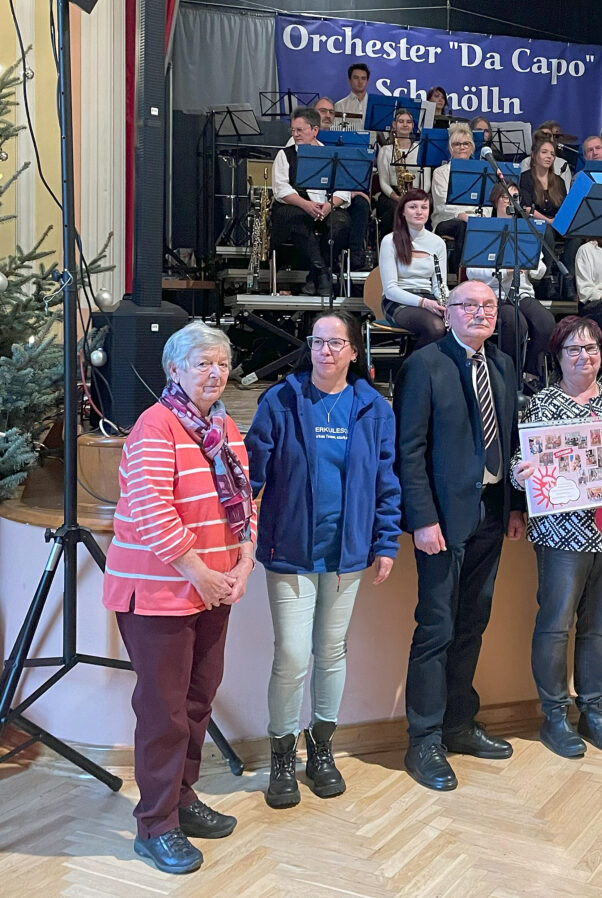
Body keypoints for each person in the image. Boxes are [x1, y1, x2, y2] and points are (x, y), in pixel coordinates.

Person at [102, 322, 256, 875]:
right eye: (201, 364)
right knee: (164, 711)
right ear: (174, 370)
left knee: (197, 700)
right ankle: (155, 825)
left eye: (221, 363)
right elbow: (151, 513)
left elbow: (245, 502)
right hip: (159, 590)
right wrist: (201, 573)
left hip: (214, 588)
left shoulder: (223, 426)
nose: (215, 373)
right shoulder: (154, 426)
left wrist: (242, 563)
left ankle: (182, 799)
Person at [245, 311, 402, 810]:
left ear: (355, 352)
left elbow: (386, 482)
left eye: (336, 343)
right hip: (289, 550)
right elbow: (250, 474)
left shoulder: (373, 409)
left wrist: (385, 541)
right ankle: (281, 756)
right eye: (317, 342)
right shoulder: (282, 400)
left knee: (331, 651)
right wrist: (237, 534)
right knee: (292, 655)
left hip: (346, 553)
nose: (325, 351)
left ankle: (321, 750)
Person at [394, 279, 527, 791]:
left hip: (492, 514)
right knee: (436, 628)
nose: (480, 313)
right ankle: (423, 739)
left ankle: (457, 723)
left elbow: (509, 442)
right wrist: (423, 519)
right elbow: (409, 452)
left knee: (473, 622)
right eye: (468, 305)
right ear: (447, 313)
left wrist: (514, 510)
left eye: (488, 306)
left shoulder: (503, 366)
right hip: (442, 524)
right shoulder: (423, 366)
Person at [511, 317, 602, 757]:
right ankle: (554, 715)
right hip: (562, 532)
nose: (584, 357)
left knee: (599, 627)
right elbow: (523, 465)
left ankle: (593, 709)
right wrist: (523, 475)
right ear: (557, 357)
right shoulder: (542, 405)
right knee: (556, 624)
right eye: (574, 350)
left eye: (592, 349)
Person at [465, 179, 555, 383]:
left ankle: (531, 375)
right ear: (495, 200)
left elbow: (539, 271)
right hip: (494, 295)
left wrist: (529, 265)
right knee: (515, 324)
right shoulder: (484, 228)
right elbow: (473, 272)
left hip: (521, 293)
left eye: (514, 198)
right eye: (506, 197)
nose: (510, 202)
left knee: (545, 322)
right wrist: (505, 271)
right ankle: (508, 378)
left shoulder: (526, 229)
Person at [271, 107, 351, 296]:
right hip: (296, 206)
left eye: (300, 130)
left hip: (326, 205)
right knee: (297, 220)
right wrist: (305, 204)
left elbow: (344, 190)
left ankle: (314, 279)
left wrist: (329, 206)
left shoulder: (333, 155)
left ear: (314, 130)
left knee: (341, 224)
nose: (295, 134)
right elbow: (281, 189)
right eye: (293, 130)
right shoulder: (285, 155)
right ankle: (323, 274)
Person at [379, 188, 449, 349]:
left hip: (429, 298)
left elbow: (440, 285)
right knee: (436, 327)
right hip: (397, 301)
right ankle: (412, 368)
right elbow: (390, 290)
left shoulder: (438, 243)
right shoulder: (390, 241)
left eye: (424, 207)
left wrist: (448, 303)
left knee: (456, 324)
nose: (419, 212)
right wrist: (424, 303)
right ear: (402, 211)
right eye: (413, 207)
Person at [431, 122, 481, 271]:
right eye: (457, 144)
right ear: (450, 148)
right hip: (446, 220)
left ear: (472, 147)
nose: (462, 147)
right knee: (463, 226)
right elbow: (441, 205)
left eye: (466, 143)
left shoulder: (481, 172)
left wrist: (479, 216)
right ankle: (460, 273)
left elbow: (486, 203)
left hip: (474, 219)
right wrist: (461, 214)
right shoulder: (440, 173)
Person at [375, 109, 426, 238]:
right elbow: (383, 182)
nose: (405, 124)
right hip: (392, 195)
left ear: (413, 126)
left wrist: (416, 198)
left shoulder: (421, 149)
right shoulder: (386, 150)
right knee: (394, 210)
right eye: (401, 121)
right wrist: (398, 198)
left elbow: (427, 182)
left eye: (408, 122)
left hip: (416, 194)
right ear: (394, 125)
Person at [519, 136, 567, 226]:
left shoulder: (559, 181)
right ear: (534, 154)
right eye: (544, 152)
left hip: (556, 223)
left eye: (552, 154)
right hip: (534, 224)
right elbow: (527, 208)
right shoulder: (525, 178)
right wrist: (548, 221)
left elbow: (564, 209)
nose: (549, 156)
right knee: (547, 232)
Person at [335, 63, 371, 127]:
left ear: (367, 81)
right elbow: (337, 131)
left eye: (363, 78)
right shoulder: (340, 106)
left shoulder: (374, 105)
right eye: (356, 78)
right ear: (349, 80)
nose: (360, 82)